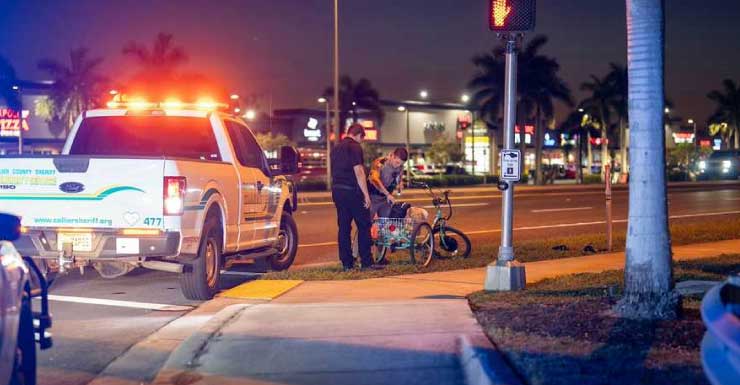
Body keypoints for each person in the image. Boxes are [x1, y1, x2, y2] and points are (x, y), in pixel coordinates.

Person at [330, 123, 378, 271]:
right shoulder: (355, 147)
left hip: (337, 190)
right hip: (352, 191)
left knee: (343, 227)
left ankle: (347, 263)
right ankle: (366, 262)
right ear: (358, 135)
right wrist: (366, 195)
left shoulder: (336, 148)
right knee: (364, 225)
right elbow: (359, 171)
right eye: (361, 139)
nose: (361, 141)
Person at [368, 147, 408, 219]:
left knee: (386, 223)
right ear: (392, 156)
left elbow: (399, 174)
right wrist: (388, 194)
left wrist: (400, 183)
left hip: (386, 199)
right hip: (373, 198)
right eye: (397, 162)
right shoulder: (380, 163)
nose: (398, 165)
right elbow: (375, 180)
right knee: (366, 223)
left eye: (401, 164)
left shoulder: (400, 166)